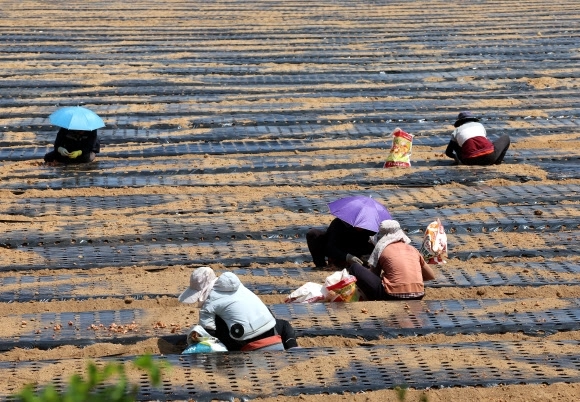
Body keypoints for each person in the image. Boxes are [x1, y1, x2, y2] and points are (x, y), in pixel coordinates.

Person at [179, 267, 298, 351]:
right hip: (270, 330)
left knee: (216, 323)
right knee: (284, 324)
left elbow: (209, 334)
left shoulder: (209, 304)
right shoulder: (240, 287)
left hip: (243, 339)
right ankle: (292, 347)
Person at [348, 220, 435, 301]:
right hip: (418, 295)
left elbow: (374, 275)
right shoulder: (413, 249)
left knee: (354, 268)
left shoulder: (381, 249)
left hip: (392, 296)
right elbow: (430, 275)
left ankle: (368, 299)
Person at [445, 111, 510, 166]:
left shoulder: (456, 131)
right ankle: (497, 162)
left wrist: (455, 157)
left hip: (469, 161)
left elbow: (448, 152)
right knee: (506, 137)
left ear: (460, 122)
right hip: (489, 157)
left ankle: (460, 160)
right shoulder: (479, 125)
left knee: (455, 143)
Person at [306, 217, 375, 268]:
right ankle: (321, 265)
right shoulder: (338, 224)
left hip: (360, 253)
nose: (360, 226)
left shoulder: (372, 228)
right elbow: (330, 246)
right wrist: (346, 257)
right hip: (341, 251)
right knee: (313, 234)